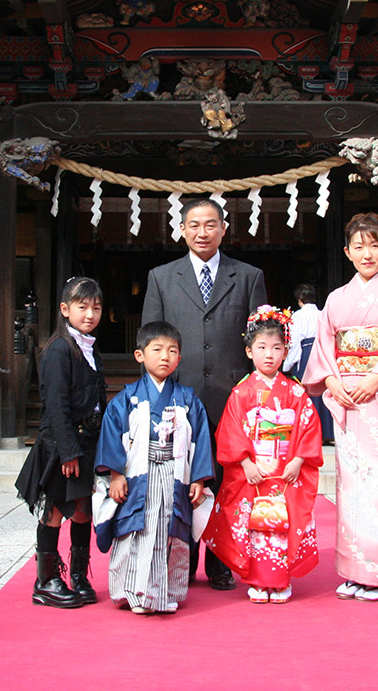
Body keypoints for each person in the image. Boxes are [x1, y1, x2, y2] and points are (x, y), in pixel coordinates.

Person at [141, 197, 266, 591]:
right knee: (181, 479)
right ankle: (182, 558)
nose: (202, 232)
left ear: (224, 229)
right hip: (180, 397)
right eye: (194, 224)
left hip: (233, 397)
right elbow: (151, 338)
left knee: (229, 483)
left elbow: (261, 341)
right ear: (182, 229)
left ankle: (220, 561)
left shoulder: (247, 276)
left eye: (210, 224)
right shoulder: (162, 277)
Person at [302, 212, 378, 602]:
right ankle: (354, 571)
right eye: (359, 246)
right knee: (351, 487)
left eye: (375, 245)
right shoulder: (337, 299)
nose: (367, 253)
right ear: (347, 252)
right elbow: (324, 347)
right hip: (348, 400)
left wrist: (376, 378)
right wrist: (334, 382)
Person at [93, 321, 214, 614]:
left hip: (173, 475)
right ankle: (134, 593)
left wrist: (199, 478)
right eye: (157, 349)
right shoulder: (127, 399)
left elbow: (200, 438)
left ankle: (165, 593)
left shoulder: (187, 399)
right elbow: (112, 434)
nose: (165, 357)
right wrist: (117, 473)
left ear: (179, 358)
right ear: (139, 355)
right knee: (138, 530)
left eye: (172, 351)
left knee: (170, 531)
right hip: (139, 477)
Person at [203, 305, 322, 604]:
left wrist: (297, 460)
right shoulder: (241, 393)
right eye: (261, 347)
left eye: (276, 348)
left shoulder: (295, 392)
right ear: (248, 351)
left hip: (285, 470)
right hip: (253, 471)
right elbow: (230, 430)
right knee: (253, 525)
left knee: (283, 524)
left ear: (286, 352)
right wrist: (245, 463)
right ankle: (258, 579)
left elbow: (308, 426)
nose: (269, 354)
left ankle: (280, 581)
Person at [14, 277, 107, 608]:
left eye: (95, 308)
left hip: (88, 440)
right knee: (54, 509)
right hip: (62, 443)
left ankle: (79, 576)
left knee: (83, 510)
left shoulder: (88, 346)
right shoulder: (58, 349)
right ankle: (47, 580)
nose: (89, 314)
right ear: (65, 309)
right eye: (82, 307)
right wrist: (68, 451)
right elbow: (55, 405)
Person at [283, 283, 334, 444]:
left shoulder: (297, 317)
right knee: (322, 390)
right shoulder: (323, 314)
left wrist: (288, 364)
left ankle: (309, 432)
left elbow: (294, 342)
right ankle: (327, 431)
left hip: (305, 354)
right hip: (322, 353)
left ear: (299, 300)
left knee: (307, 393)